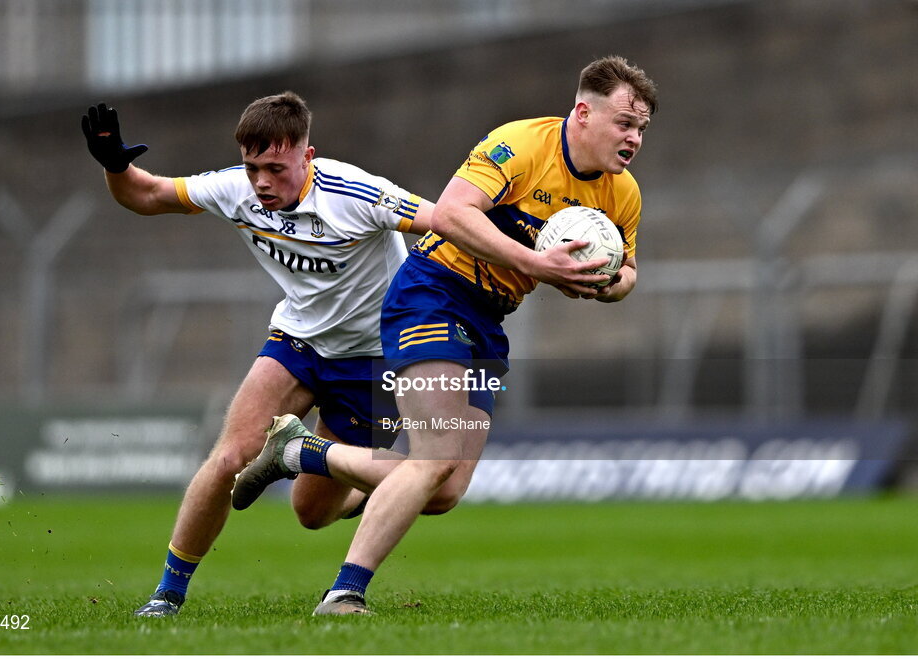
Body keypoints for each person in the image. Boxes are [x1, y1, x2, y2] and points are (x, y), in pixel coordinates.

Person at [232, 55, 658, 615]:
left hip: (487, 318)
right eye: (624, 123)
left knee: (447, 489)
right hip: (432, 292)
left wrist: (606, 285)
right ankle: (345, 594)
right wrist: (538, 263)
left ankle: (300, 452)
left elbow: (627, 273)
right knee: (432, 459)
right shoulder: (520, 146)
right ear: (583, 112)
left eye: (642, 129)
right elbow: (454, 213)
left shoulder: (622, 194)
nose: (633, 138)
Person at [82, 92, 450, 617]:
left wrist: (528, 259)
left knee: (311, 513)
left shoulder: (358, 192)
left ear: (308, 156)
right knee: (231, 455)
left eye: (275, 168)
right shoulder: (236, 189)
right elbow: (144, 195)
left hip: (372, 362)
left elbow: (445, 222)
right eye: (252, 167)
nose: (260, 182)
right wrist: (116, 165)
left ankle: (338, 474)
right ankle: (167, 595)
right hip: (296, 341)